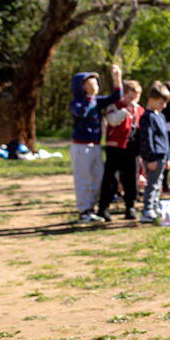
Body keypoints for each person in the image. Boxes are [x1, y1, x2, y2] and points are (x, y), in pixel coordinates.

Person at [69, 65, 122, 223]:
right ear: (81, 87)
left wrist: (117, 80)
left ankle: (92, 208)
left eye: (96, 83)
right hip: (81, 146)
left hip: (96, 145)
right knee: (83, 178)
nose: (95, 87)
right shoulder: (77, 102)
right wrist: (89, 96)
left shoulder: (97, 101)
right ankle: (84, 210)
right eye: (90, 84)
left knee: (98, 178)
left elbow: (115, 97)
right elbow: (81, 112)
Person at [96, 79, 144, 221]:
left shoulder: (140, 110)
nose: (132, 101)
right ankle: (103, 208)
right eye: (130, 97)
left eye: (135, 98)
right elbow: (112, 120)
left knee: (131, 179)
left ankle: (130, 206)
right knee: (111, 179)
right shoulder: (115, 105)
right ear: (123, 95)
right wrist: (126, 110)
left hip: (132, 149)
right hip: (115, 147)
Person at [138, 81, 170, 223]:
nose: (164, 106)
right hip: (153, 157)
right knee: (152, 184)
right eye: (161, 102)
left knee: (158, 183)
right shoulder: (147, 117)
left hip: (162, 156)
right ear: (151, 100)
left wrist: (168, 157)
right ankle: (147, 210)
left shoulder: (161, 116)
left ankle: (155, 206)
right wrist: (150, 158)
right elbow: (147, 139)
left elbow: (165, 138)